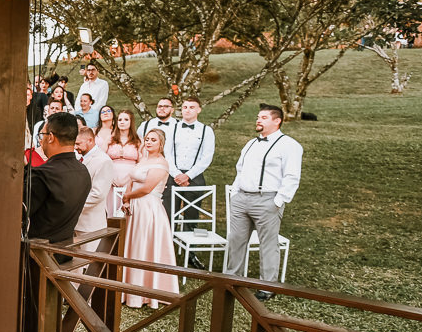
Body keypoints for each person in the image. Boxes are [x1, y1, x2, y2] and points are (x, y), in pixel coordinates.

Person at [22, 112, 90, 332]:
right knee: (50, 313)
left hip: (38, 256)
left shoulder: (45, 174)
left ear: (50, 136)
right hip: (63, 252)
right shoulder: (82, 171)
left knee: (32, 315)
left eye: (42, 136)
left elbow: (24, 213)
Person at [225, 104, 303, 300]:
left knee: (268, 244)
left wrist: (278, 201)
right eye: (258, 117)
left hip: (267, 200)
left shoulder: (290, 145)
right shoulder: (251, 143)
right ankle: (232, 281)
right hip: (242, 198)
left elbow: (292, 176)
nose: (258, 120)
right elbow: (240, 169)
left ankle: (267, 287)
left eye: (264, 117)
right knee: (236, 240)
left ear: (277, 121)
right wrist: (235, 192)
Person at [120, 130, 180, 309]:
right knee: (132, 245)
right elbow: (132, 178)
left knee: (143, 245)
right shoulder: (143, 160)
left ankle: (144, 294)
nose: (149, 142)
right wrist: (128, 199)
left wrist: (127, 196)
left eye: (153, 140)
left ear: (161, 143)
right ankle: (127, 289)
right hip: (134, 207)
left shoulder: (161, 163)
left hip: (148, 208)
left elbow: (147, 188)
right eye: (147, 139)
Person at [164, 97, 216, 247]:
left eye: (192, 107)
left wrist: (188, 175)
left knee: (191, 214)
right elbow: (168, 154)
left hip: (194, 176)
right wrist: (176, 174)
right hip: (173, 175)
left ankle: (189, 249)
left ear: (199, 110)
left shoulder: (206, 131)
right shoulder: (172, 128)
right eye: (185, 107)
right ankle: (168, 248)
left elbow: (206, 157)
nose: (187, 110)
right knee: (169, 212)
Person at [74, 129, 114, 253]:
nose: (75, 147)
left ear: (90, 140)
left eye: (78, 144)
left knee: (89, 264)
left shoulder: (104, 161)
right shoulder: (77, 157)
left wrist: (73, 207)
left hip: (90, 224)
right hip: (74, 223)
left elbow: (97, 194)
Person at [106, 109, 142, 216]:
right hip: (112, 180)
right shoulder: (110, 139)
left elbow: (141, 162)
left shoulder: (138, 141)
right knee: (112, 210)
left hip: (130, 180)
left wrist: (131, 178)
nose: (122, 122)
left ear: (131, 122)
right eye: (120, 119)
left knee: (128, 211)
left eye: (126, 119)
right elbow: (102, 159)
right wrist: (109, 176)